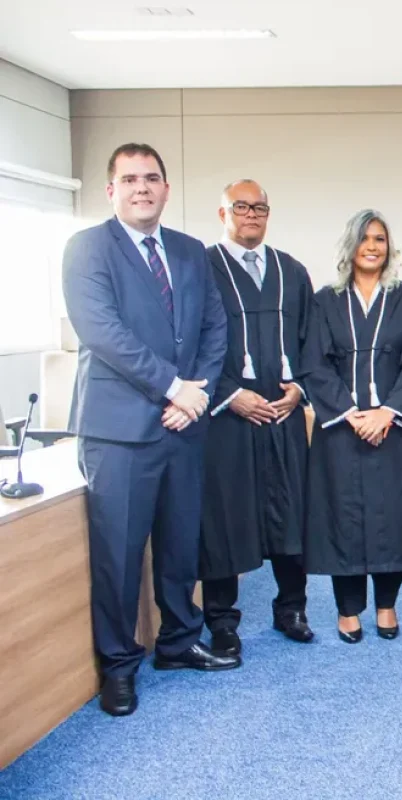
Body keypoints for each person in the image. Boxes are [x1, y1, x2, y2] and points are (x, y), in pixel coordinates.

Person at [62, 142, 238, 717]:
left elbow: (215, 328)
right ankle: (118, 665)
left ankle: (179, 642)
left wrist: (198, 395)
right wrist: (173, 388)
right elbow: (103, 333)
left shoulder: (189, 251)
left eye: (153, 178)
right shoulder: (87, 249)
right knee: (118, 554)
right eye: (130, 179)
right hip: (119, 434)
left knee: (181, 544)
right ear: (110, 190)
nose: (143, 187)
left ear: (166, 188)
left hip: (184, 426)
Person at [300, 209, 402, 643]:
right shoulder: (324, 301)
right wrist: (352, 413)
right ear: (351, 246)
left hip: (395, 430)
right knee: (342, 518)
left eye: (380, 238)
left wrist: (386, 413)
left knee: (392, 518)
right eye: (365, 239)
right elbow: (314, 366)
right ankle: (347, 610)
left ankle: (386, 605)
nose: (373, 246)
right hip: (341, 430)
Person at [200, 179, 315, 656]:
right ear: (222, 212)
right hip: (230, 418)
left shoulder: (291, 271)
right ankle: (223, 621)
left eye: (260, 207)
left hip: (284, 415)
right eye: (241, 206)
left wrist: (299, 390)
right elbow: (191, 344)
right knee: (227, 516)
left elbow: (313, 341)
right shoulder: (202, 268)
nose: (251, 214)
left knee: (291, 511)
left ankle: (291, 607)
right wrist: (229, 396)